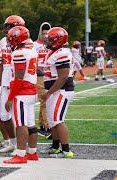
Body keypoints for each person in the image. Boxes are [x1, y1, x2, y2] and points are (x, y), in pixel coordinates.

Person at [3, 26, 39, 164]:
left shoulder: (19, 53)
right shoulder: (31, 51)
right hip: (31, 91)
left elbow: (18, 79)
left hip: (22, 92)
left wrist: (10, 98)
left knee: (21, 124)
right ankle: (32, 152)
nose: (10, 41)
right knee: (30, 124)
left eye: (12, 38)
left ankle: (21, 155)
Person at [41, 27, 74, 158]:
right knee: (52, 120)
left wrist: (49, 93)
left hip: (61, 90)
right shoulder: (54, 52)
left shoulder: (62, 53)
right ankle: (55, 146)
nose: (47, 41)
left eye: (50, 39)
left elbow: (63, 77)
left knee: (58, 120)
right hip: (54, 90)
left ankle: (66, 151)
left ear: (58, 40)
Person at [0, 15, 26, 153]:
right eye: (7, 26)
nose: (7, 29)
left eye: (10, 26)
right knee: (4, 115)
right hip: (5, 79)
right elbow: (3, 62)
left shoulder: (26, 40)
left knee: (19, 115)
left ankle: (23, 147)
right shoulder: (3, 41)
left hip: (18, 78)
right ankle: (13, 143)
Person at [33, 22, 52, 139]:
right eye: (44, 33)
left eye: (47, 33)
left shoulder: (51, 45)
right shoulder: (35, 45)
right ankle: (47, 126)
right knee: (44, 99)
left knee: (45, 100)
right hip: (39, 74)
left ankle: (42, 125)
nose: (46, 35)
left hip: (49, 74)